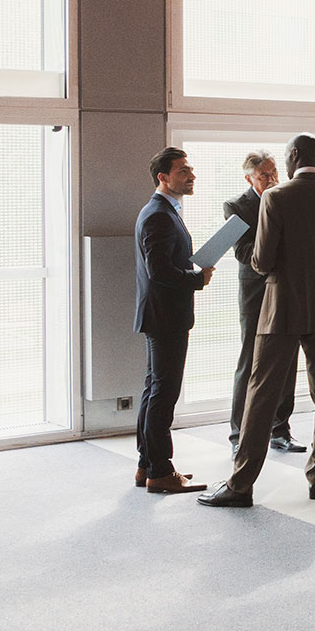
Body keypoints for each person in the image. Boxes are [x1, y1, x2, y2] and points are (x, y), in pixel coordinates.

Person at [200, 134, 315, 507]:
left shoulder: (276, 198)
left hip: (282, 308)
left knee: (261, 391)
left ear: (293, 156)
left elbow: (261, 261)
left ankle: (242, 484)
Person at [133, 147, 215, 493]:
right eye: (183, 170)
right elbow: (160, 271)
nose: (191, 175)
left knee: (155, 390)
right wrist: (198, 278)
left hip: (161, 314)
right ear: (162, 177)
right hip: (165, 316)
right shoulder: (159, 215)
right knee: (163, 395)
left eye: (191, 168)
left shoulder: (164, 211)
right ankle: (161, 472)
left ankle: (147, 465)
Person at [223, 150, 302, 458]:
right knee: (250, 360)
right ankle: (238, 435)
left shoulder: (287, 198)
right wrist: (277, 254)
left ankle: (280, 430)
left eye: (273, 173)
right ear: (249, 179)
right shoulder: (236, 206)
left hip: (287, 288)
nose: (271, 179)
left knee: (287, 358)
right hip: (256, 290)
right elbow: (242, 251)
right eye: (263, 176)